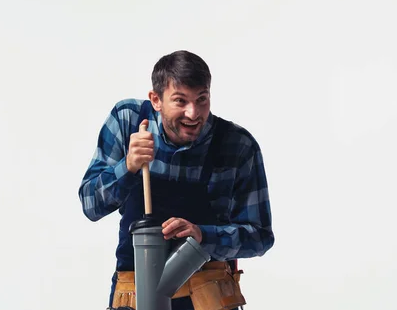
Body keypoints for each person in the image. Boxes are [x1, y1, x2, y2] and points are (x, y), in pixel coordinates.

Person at [78, 50, 274, 310]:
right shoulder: (128, 121)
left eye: (202, 100)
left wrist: (202, 235)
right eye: (180, 101)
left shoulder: (237, 145)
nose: (193, 114)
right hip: (137, 297)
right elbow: (90, 205)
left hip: (209, 297)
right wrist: (128, 168)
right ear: (156, 100)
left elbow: (260, 236)